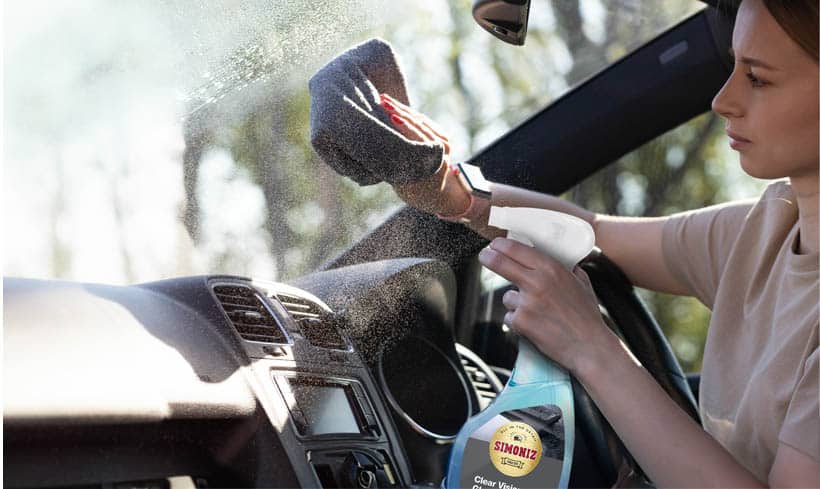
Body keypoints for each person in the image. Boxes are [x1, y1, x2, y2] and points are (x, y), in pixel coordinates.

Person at [379, 0, 819, 486]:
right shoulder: (766, 230)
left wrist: (591, 348)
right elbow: (593, 235)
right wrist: (451, 191)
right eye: (731, 65)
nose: (723, 99)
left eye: (757, 77)